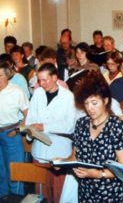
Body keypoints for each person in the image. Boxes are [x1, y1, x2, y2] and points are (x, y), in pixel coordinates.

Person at [61, 71, 123, 202]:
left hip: (112, 193)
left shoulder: (117, 126)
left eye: (94, 103)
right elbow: (75, 156)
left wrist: (98, 174)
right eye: (86, 103)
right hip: (86, 192)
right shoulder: (81, 124)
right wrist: (61, 163)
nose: (90, 108)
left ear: (105, 101)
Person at [25, 63, 77, 203]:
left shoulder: (68, 96)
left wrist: (44, 126)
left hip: (59, 151)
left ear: (54, 78)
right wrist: (30, 129)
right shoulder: (37, 93)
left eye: (45, 80)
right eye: (39, 80)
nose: (41, 84)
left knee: (59, 193)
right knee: (41, 194)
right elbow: (31, 117)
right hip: (39, 150)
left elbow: (69, 126)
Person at [0, 60, 29, 198]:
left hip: (11, 133)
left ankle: (17, 198)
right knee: (1, 172)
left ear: (7, 75)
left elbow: (28, 116)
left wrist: (18, 130)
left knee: (15, 171)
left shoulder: (16, 91)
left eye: (0, 75)